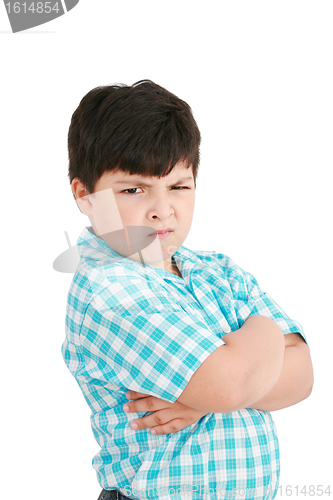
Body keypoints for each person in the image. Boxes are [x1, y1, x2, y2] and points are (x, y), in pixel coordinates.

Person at [61, 80, 314, 500]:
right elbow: (231, 384)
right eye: (133, 189)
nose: (163, 208)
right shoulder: (109, 287)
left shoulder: (217, 270)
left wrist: (209, 397)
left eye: (179, 186)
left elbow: (303, 377)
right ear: (85, 194)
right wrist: (264, 332)